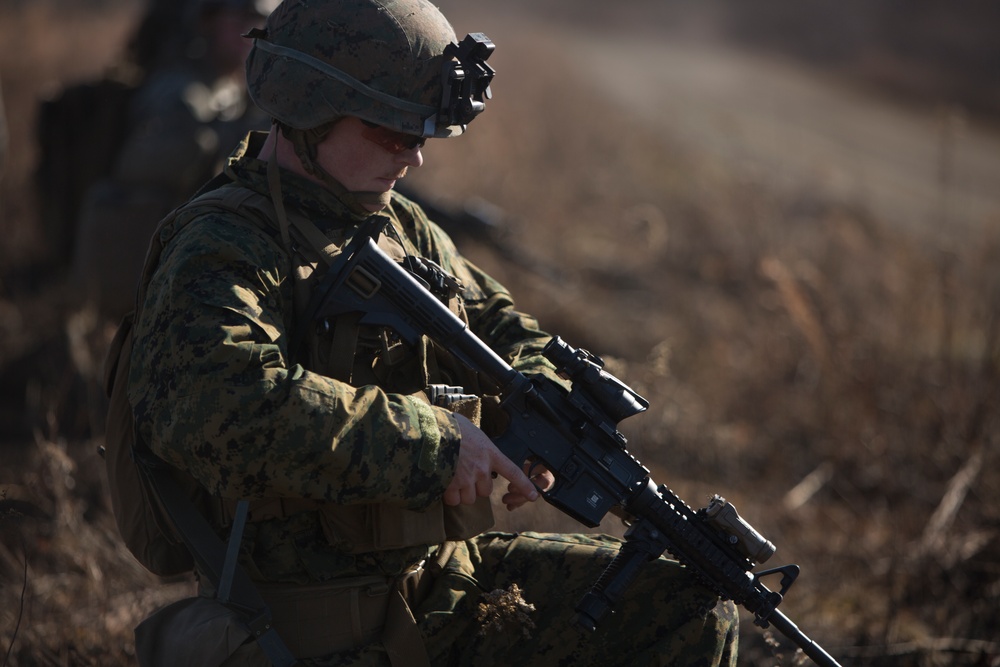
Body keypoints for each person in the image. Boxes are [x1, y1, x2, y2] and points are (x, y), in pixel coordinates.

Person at [125, 0, 739, 664]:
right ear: (311, 104)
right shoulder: (224, 242)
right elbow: (218, 405)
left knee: (688, 604)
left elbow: (500, 328)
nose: (414, 158)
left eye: (425, 134)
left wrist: (547, 409)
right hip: (307, 622)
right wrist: (438, 444)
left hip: (441, 582)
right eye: (394, 132)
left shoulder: (398, 227)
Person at [69, 0, 276, 317]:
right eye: (241, 20)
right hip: (145, 268)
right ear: (208, 24)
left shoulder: (231, 89)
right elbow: (149, 172)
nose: (251, 32)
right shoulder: (177, 93)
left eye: (260, 21)